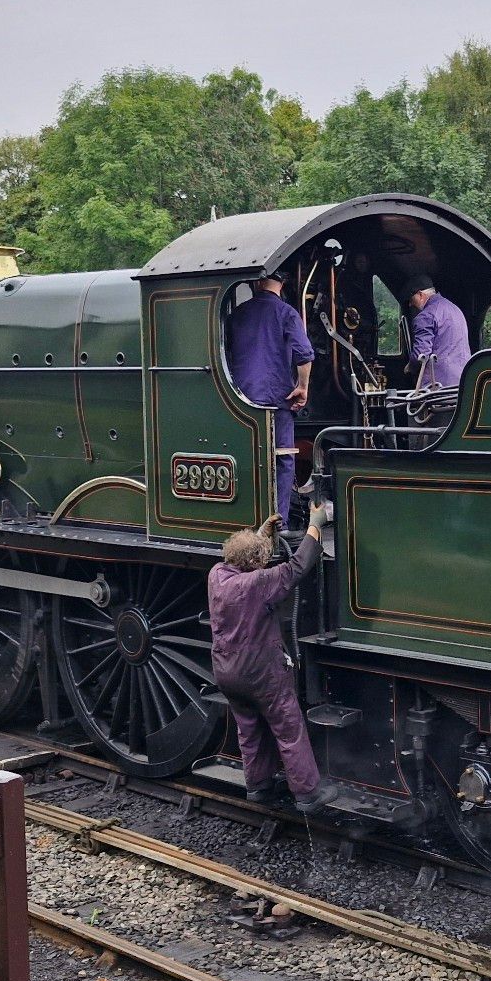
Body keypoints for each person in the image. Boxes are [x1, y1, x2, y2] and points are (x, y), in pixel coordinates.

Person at [207, 500, 337, 813]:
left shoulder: (216, 575)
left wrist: (262, 535)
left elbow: (244, 557)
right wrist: (315, 525)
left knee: (249, 730)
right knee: (288, 728)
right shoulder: (258, 583)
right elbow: (297, 568)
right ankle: (307, 794)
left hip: (226, 671)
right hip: (261, 671)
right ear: (254, 564)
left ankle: (258, 787)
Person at [225, 272, 313, 521]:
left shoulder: (237, 315)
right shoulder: (287, 313)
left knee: (246, 458)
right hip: (278, 399)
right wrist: (303, 388)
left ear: (256, 282)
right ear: (282, 284)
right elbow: (304, 355)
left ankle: (247, 517)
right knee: (283, 459)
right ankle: (279, 521)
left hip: (239, 399)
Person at [406, 283, 471, 390]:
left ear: (421, 295)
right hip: (462, 380)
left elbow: (421, 355)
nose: (410, 304)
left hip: (438, 387)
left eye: (412, 300)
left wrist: (410, 367)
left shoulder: (426, 316)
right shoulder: (455, 309)